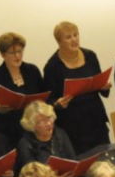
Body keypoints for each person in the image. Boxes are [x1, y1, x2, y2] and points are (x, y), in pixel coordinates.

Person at [43, 21, 111, 154]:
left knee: (105, 161)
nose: (74, 40)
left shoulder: (90, 56)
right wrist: (57, 104)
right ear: (59, 41)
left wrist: (104, 87)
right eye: (68, 37)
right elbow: (48, 100)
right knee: (82, 165)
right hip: (72, 125)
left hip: (96, 119)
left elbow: (101, 87)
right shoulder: (52, 66)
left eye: (76, 35)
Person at [0, 32, 47, 143]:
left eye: (20, 51)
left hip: (33, 126)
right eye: (12, 53)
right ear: (3, 55)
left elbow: (44, 95)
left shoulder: (32, 70)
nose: (17, 56)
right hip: (8, 129)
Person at [14, 101, 76, 175]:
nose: (48, 123)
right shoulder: (25, 144)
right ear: (32, 126)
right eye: (41, 121)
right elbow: (32, 176)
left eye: (49, 118)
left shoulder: (59, 133)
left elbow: (72, 160)